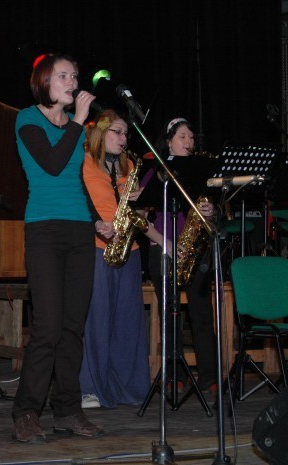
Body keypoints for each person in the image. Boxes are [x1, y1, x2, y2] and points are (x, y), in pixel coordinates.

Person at [11, 53, 104, 444]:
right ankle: (26, 412)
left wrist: (96, 219)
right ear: (44, 82)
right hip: (45, 230)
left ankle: (67, 410)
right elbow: (51, 164)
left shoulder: (76, 128)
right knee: (48, 326)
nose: (72, 82)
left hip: (80, 231)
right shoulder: (27, 119)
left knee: (72, 328)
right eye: (63, 75)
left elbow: (76, 180)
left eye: (75, 76)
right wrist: (79, 121)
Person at [79, 109, 169, 409]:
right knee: (97, 320)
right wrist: (99, 225)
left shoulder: (128, 165)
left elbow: (139, 214)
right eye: (117, 132)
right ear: (100, 132)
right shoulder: (83, 162)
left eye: (126, 134)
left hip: (128, 248)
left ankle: (129, 389)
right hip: (96, 246)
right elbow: (79, 203)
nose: (123, 138)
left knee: (128, 321)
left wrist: (142, 203)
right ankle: (91, 389)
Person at [141, 117, 219, 395]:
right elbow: (139, 217)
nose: (189, 142)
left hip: (195, 249)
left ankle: (209, 375)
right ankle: (174, 373)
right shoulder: (157, 172)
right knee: (170, 313)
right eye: (182, 137)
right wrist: (166, 243)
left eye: (191, 137)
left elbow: (213, 211)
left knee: (202, 313)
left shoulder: (203, 172)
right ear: (169, 141)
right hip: (162, 249)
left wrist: (211, 211)